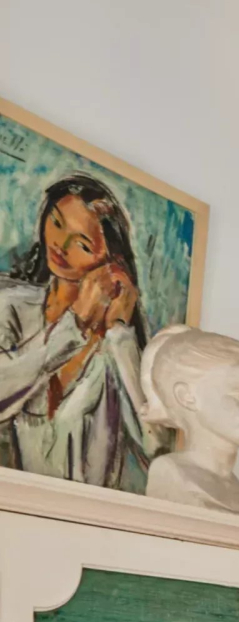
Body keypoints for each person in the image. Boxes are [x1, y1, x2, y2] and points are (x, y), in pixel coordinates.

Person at [0, 175, 154, 489]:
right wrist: (74, 326)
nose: (61, 245)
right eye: (56, 223)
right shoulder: (11, 307)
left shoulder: (115, 346)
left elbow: (156, 449)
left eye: (83, 243)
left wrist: (122, 334)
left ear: (111, 262)